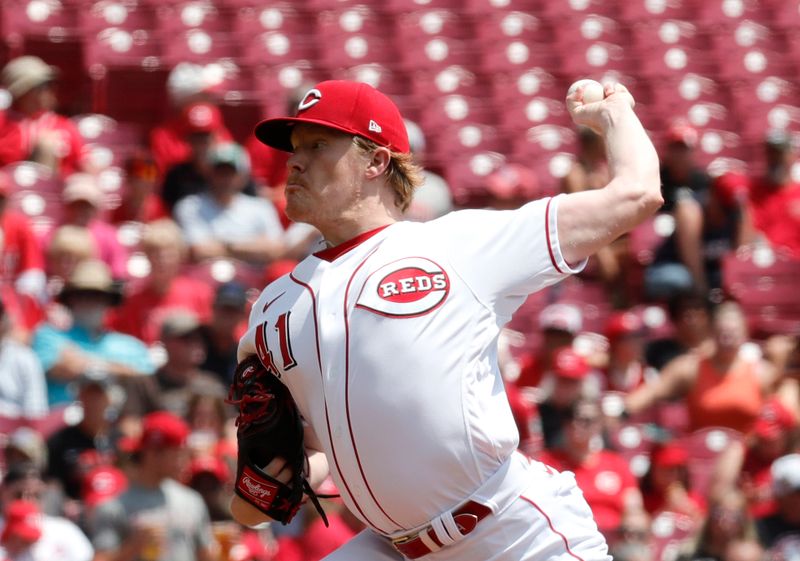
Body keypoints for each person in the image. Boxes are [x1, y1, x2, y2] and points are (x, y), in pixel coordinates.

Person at [229, 78, 661, 561]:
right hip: (392, 548)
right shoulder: (273, 310)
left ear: (376, 161)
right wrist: (274, 479)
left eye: (318, 144)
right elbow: (256, 506)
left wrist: (616, 112)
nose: (295, 159)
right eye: (294, 148)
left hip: (512, 536)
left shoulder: (457, 245)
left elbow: (636, 195)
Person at [624, 301, 776, 434]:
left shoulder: (761, 372)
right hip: (700, 454)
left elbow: (778, 415)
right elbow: (653, 391)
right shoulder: (691, 368)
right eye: (723, 333)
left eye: (733, 333)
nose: (728, 339)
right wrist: (623, 410)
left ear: (745, 334)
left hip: (747, 454)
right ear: (712, 332)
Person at [87, 411, 218, 561]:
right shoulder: (112, 508)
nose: (183, 461)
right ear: (153, 453)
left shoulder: (192, 500)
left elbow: (205, 556)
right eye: (177, 453)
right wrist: (133, 546)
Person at [31, 259, 155, 406]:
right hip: (62, 423)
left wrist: (86, 364)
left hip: (117, 424)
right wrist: (120, 370)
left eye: (97, 296)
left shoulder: (133, 347)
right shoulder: (47, 336)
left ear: (109, 301)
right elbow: (63, 369)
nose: (89, 302)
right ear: (70, 300)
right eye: (82, 295)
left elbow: (144, 381)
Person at [537, 399, 646, 540]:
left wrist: (634, 524)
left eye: (586, 420)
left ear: (598, 425)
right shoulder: (547, 463)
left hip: (613, 540)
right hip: (567, 538)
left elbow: (634, 509)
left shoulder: (616, 464)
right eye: (570, 416)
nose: (576, 423)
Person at [174, 141, 286, 264]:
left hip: (255, 279)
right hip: (208, 277)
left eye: (230, 173)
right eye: (220, 172)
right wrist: (256, 245)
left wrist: (225, 246)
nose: (225, 179)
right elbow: (200, 251)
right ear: (209, 174)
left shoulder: (261, 207)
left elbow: (277, 250)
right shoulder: (190, 206)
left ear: (243, 177)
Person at [108, 218, 213, 345]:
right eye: (155, 253)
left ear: (180, 256)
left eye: (168, 254)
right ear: (146, 257)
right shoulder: (134, 300)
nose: (162, 260)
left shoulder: (200, 294)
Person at [0, 56, 85, 175]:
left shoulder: (63, 125)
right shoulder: (3, 121)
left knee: (47, 144)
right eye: (44, 85)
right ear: (23, 91)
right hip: (9, 190)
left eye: (52, 84)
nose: (51, 90)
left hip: (56, 190)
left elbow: (84, 164)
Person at [746, 129, 800, 257]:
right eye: (771, 153)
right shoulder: (753, 192)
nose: (775, 159)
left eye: (780, 154)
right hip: (764, 266)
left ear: (793, 156)